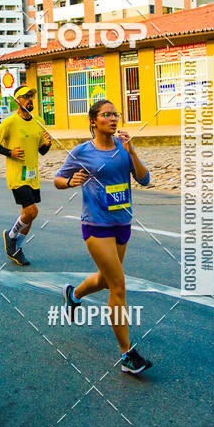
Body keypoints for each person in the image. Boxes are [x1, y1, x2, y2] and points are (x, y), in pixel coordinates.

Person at [54, 99, 152, 376]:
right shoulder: (81, 152)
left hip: (122, 222)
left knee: (106, 278)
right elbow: (58, 179)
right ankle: (127, 355)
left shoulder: (123, 147)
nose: (113, 118)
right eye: (106, 114)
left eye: (115, 114)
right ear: (93, 122)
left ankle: (73, 294)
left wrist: (132, 151)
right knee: (118, 285)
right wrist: (71, 182)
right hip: (96, 225)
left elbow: (144, 179)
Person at [0, 86, 52, 266]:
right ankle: (10, 236)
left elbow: (42, 151)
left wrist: (47, 143)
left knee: (28, 215)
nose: (30, 100)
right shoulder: (10, 122)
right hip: (17, 175)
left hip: (33, 175)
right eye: (26, 97)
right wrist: (10, 152)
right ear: (17, 101)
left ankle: (16, 249)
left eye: (32, 96)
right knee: (32, 211)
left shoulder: (38, 121)